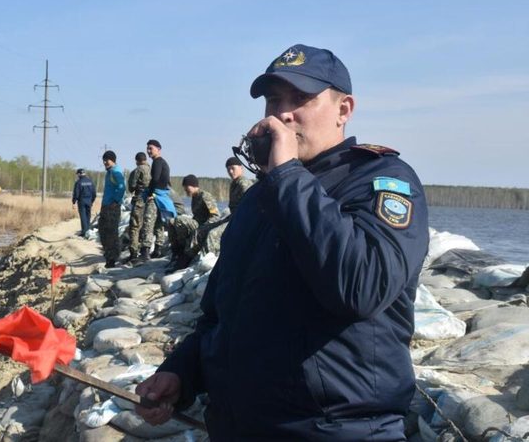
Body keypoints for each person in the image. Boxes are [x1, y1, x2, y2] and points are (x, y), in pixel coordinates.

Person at [136, 44, 429, 440]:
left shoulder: (379, 181)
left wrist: (287, 175)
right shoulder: (262, 196)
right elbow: (220, 316)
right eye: (274, 100)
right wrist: (181, 373)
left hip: (335, 430)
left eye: (301, 98)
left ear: (344, 110)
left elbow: (361, 287)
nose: (283, 113)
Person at [200, 157, 255, 256]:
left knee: (213, 234)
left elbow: (252, 206)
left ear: (241, 168)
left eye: (233, 168)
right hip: (233, 217)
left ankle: (209, 261)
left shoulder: (244, 183)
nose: (230, 171)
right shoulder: (234, 183)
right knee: (204, 229)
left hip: (242, 219)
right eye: (228, 169)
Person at [167, 174, 220, 271]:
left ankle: (184, 258)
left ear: (193, 185)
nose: (185, 190)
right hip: (197, 224)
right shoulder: (194, 197)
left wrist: (204, 228)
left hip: (203, 226)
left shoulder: (204, 196)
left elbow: (215, 216)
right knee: (171, 221)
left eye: (186, 187)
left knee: (179, 220)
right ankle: (176, 252)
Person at [138, 139, 174, 261]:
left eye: (151, 148)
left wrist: (150, 193)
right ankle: (158, 250)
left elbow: (155, 179)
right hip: (161, 196)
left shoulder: (157, 162)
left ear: (158, 149)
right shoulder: (163, 162)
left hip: (155, 196)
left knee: (148, 222)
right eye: (147, 148)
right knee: (159, 223)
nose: (148, 151)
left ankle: (145, 252)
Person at [98, 150, 126, 268]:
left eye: (107, 160)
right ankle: (109, 257)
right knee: (103, 231)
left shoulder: (115, 172)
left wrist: (116, 201)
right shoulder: (109, 172)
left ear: (113, 160)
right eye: (104, 160)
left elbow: (122, 187)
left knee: (110, 233)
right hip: (106, 206)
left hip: (112, 207)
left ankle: (112, 259)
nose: (105, 162)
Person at [124, 152, 151, 263]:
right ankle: (145, 252)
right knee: (147, 226)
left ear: (137, 160)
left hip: (140, 199)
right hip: (150, 201)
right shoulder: (152, 169)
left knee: (135, 226)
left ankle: (134, 253)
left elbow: (132, 186)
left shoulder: (138, 170)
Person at [72, 168, 96, 237]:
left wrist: (74, 202)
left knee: (83, 216)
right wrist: (92, 201)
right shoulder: (91, 181)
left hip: (82, 201)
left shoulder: (78, 182)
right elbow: (94, 193)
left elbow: (76, 193)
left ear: (79, 174)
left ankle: (84, 232)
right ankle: (87, 231)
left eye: (77, 174)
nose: (77, 176)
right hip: (89, 201)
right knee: (88, 216)